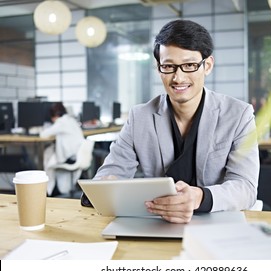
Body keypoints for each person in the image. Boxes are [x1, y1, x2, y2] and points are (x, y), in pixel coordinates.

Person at [91, 19, 259, 223]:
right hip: (157, 220)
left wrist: (199, 197)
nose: (178, 78)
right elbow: (110, 173)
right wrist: (108, 183)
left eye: (189, 65)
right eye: (168, 66)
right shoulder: (139, 117)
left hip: (216, 219)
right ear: (159, 68)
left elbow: (245, 187)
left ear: (207, 65)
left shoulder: (239, 115)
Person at [40, 102, 84, 196]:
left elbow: (44, 134)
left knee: (48, 155)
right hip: (77, 155)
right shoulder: (71, 120)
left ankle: (48, 190)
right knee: (50, 152)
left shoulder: (61, 122)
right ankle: (51, 189)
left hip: (70, 158)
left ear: (54, 115)